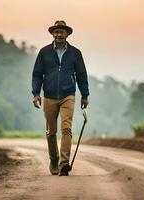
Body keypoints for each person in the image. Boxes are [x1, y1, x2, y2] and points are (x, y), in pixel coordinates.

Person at [31, 20, 89, 176]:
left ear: (67, 34)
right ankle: (54, 159)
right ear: (52, 34)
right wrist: (36, 93)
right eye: (56, 32)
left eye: (62, 32)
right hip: (49, 96)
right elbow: (37, 74)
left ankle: (64, 163)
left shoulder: (75, 53)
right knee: (51, 132)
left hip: (68, 95)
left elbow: (81, 75)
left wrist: (85, 95)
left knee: (66, 128)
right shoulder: (44, 52)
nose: (59, 34)